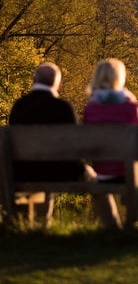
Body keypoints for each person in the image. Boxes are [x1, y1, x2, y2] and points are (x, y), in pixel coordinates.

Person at [9, 62, 100, 227]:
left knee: (41, 172)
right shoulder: (63, 107)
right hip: (62, 173)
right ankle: (113, 229)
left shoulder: (19, 106)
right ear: (58, 83)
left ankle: (29, 228)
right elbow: (75, 148)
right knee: (97, 181)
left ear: (34, 80)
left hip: (23, 172)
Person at [83, 58, 138, 225]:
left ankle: (113, 230)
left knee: (101, 190)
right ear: (120, 78)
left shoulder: (91, 109)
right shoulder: (131, 107)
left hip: (103, 173)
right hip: (135, 172)